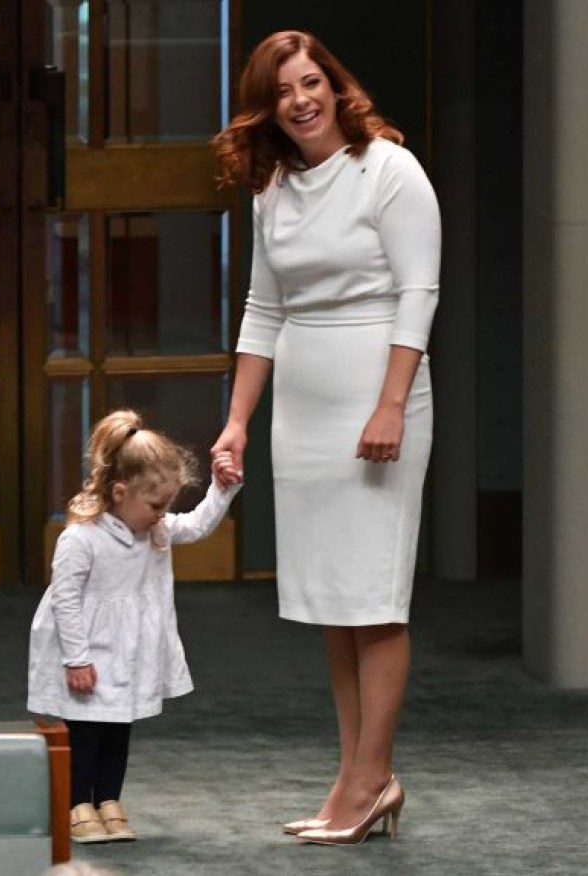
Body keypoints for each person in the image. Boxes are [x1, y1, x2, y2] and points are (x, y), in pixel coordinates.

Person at [210, 30, 441, 845]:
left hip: (376, 400)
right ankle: (353, 777)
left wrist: (389, 403)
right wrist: (238, 421)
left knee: (373, 601)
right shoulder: (272, 188)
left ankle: (370, 778)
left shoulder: (388, 168)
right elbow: (262, 311)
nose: (301, 100)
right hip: (303, 412)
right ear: (268, 108)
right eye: (283, 92)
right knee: (335, 607)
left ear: (336, 88)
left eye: (311, 82)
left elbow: (418, 292)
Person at [27, 410, 242, 844]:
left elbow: (199, 525)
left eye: (167, 505)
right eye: (156, 505)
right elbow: (65, 599)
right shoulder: (82, 537)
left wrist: (222, 490)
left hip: (126, 650)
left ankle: (109, 800)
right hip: (86, 651)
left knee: (118, 727)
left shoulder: (155, 530)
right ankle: (76, 805)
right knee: (85, 730)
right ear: (120, 491)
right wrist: (77, 658)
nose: (163, 515)